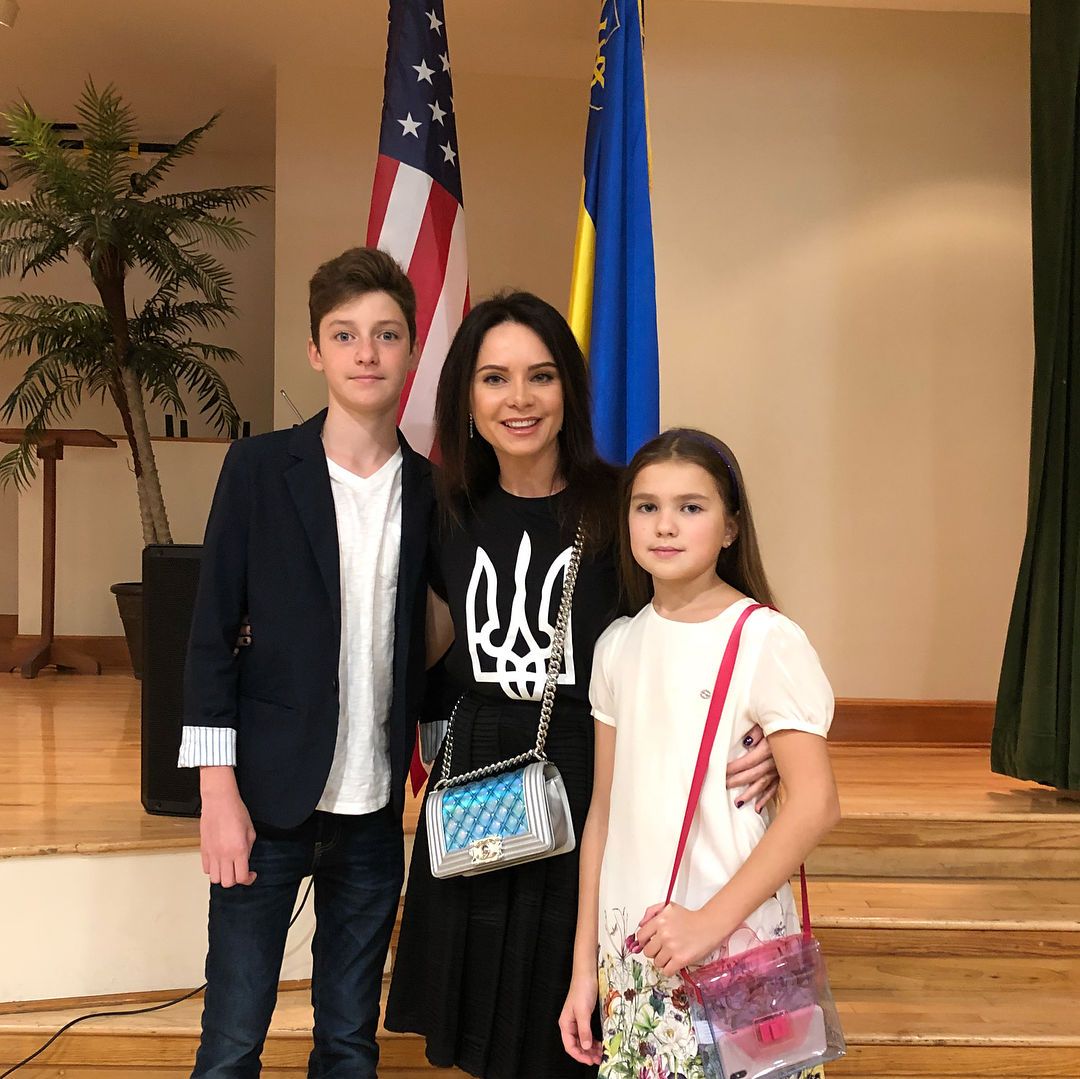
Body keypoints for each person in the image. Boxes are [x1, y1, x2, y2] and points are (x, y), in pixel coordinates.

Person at [385, 297, 780, 1079]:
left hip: (590, 773)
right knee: (484, 1012)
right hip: (478, 775)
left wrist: (761, 722)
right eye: (494, 378)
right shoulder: (445, 507)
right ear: (466, 395)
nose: (519, 398)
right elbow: (416, 633)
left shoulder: (622, 501)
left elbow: (706, 611)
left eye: (540, 376)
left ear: (569, 388)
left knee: (575, 1020)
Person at [178, 247, 434, 1078]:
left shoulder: (432, 491)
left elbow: (432, 644)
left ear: (411, 348)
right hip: (265, 801)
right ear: (316, 351)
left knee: (350, 1042)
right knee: (232, 1041)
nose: (367, 352)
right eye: (345, 334)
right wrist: (217, 792)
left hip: (372, 813)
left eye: (386, 334)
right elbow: (210, 636)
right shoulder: (258, 469)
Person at [559, 428, 841, 1079]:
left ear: (731, 527)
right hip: (634, 951)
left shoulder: (766, 638)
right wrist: (584, 970)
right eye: (647, 506)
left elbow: (816, 804)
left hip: (731, 936)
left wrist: (707, 924)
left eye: (691, 507)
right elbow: (603, 812)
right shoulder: (618, 645)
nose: (665, 525)